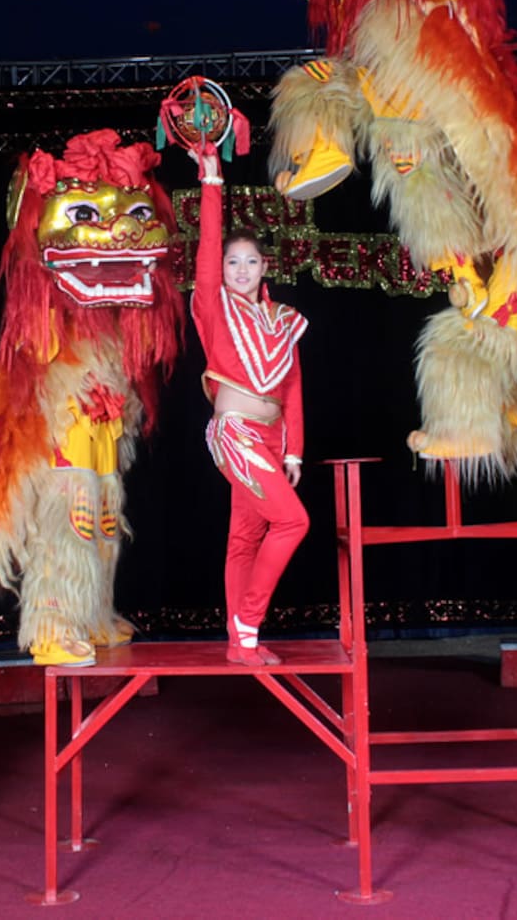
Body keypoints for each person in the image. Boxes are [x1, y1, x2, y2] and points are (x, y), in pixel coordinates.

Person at [189, 145, 310, 667]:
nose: (240, 269)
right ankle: (249, 622)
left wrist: (295, 453)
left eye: (250, 262)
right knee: (293, 522)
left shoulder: (283, 320)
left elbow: (293, 391)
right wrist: (213, 181)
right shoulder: (212, 306)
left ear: (265, 268)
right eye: (231, 262)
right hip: (234, 433)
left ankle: (241, 645)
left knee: (246, 535)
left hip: (270, 437)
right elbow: (209, 244)